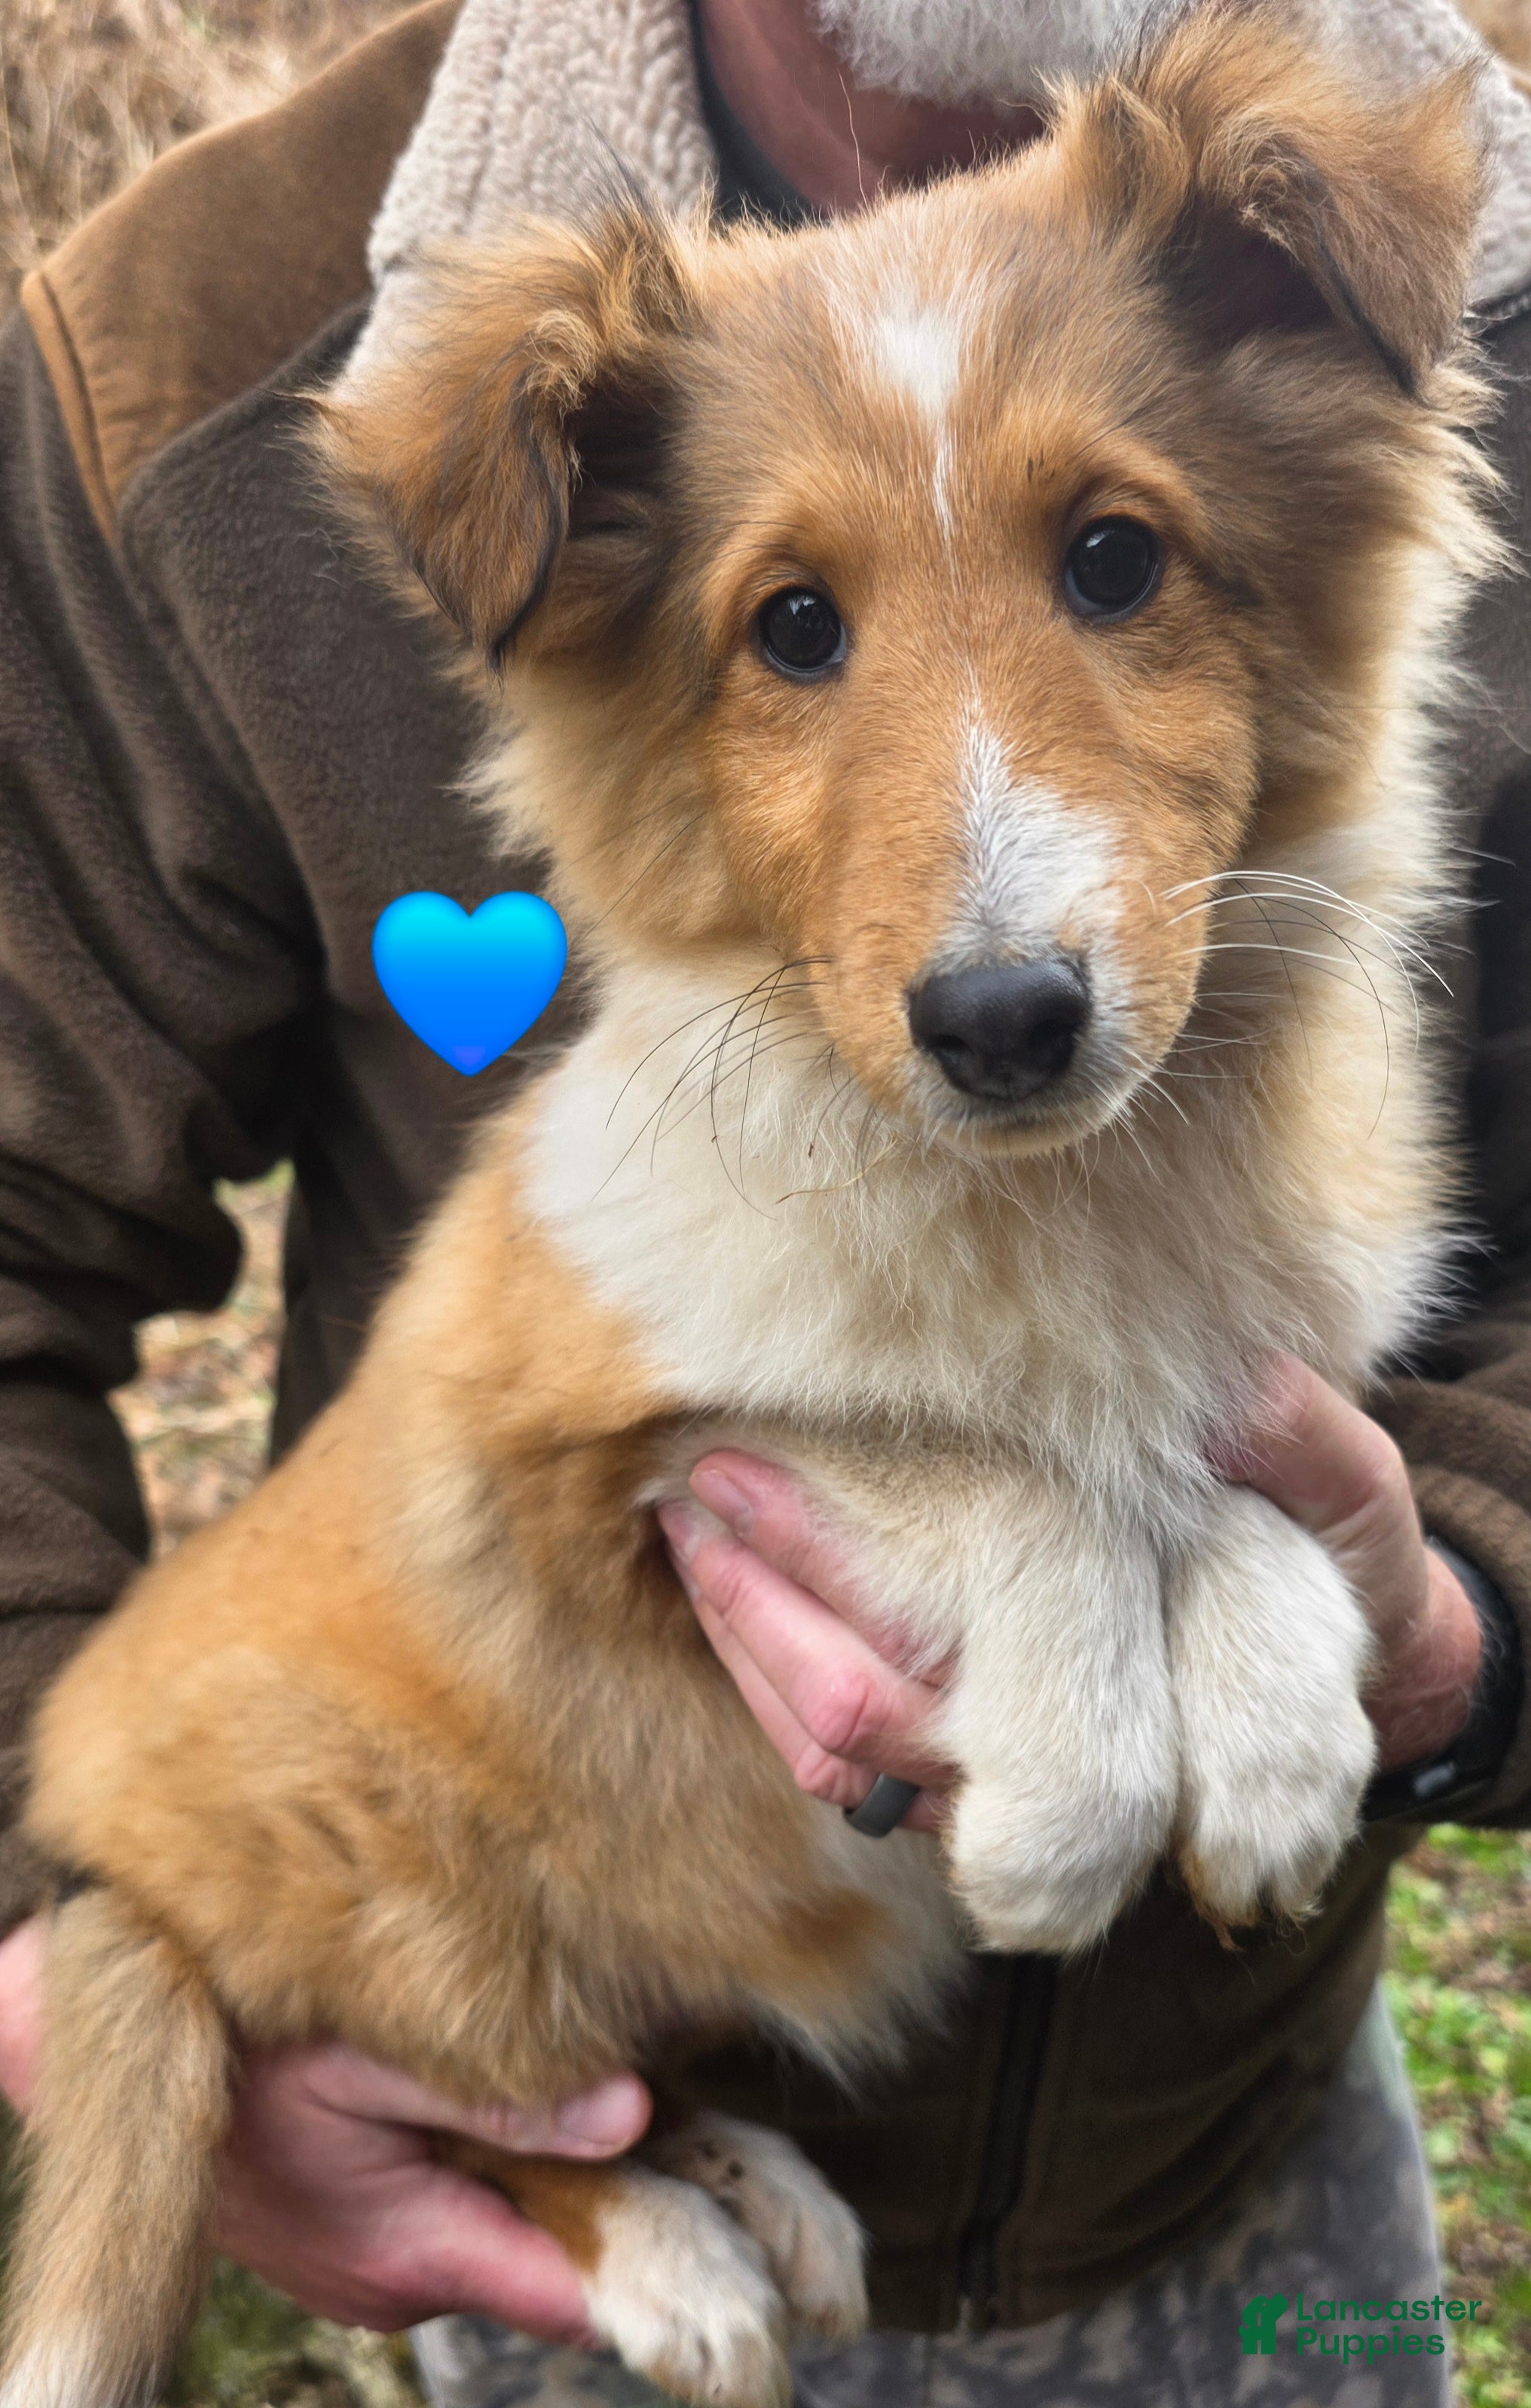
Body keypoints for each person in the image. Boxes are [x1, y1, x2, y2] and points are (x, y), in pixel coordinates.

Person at [0, 0, 1526, 2400]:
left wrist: (1440, 1622)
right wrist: (55, 1939)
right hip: (592, 2082)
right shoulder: (198, 355)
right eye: (793, 630)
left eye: (1115, 550)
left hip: (1241, 2153)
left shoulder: (1357, 240)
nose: (990, 908)